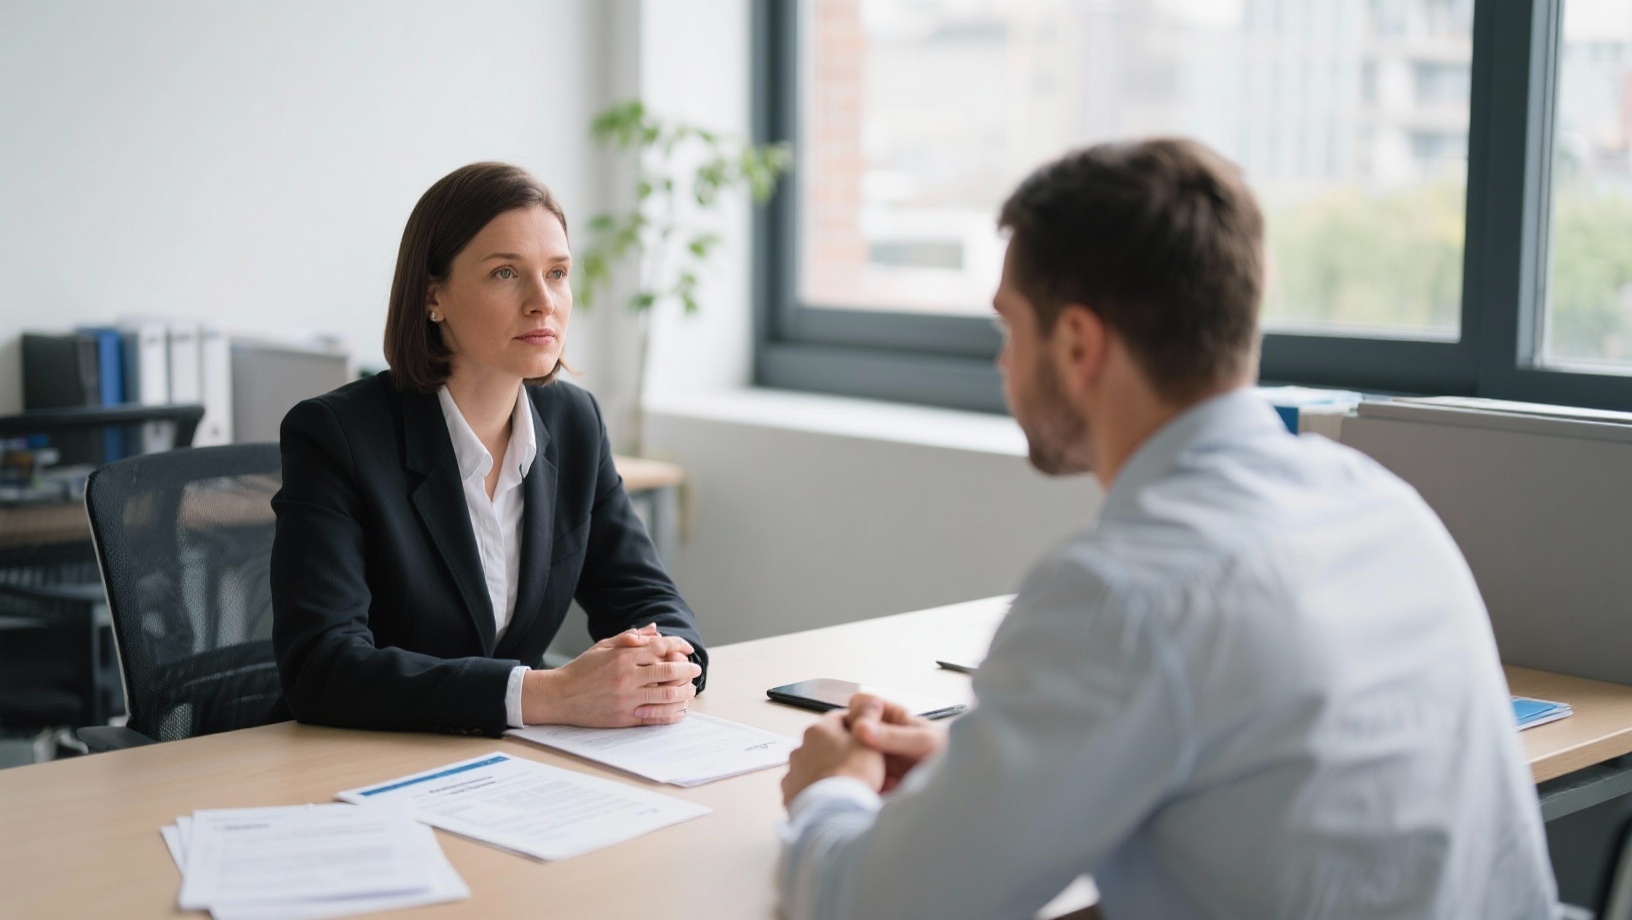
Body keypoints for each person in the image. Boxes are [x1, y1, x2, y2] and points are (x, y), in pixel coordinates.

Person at [777, 139, 1557, 919]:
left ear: (1079, 344)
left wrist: (829, 794)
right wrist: (976, 774)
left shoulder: (1119, 591)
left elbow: (873, 906)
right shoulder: (1383, 507)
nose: (1004, 365)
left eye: (1009, 330)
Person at [270, 162, 705, 735]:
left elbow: (646, 596)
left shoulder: (576, 423)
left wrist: (668, 665)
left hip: (508, 770)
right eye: (506, 273)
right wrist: (545, 695)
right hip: (356, 765)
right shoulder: (337, 437)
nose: (542, 301)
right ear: (434, 297)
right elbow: (323, 669)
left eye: (557, 272)